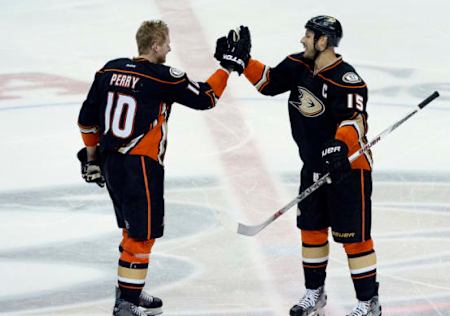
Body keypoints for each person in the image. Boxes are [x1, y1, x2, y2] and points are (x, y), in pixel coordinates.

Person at [77, 20, 250, 316]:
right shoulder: (163, 76)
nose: (170, 47)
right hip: (140, 164)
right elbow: (206, 98)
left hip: (110, 162)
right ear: (155, 46)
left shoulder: (109, 69)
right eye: (167, 42)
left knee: (131, 228)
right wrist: (228, 67)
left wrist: (92, 159)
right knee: (142, 234)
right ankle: (126, 304)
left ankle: (129, 290)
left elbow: (86, 118)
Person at [217, 16, 381, 316]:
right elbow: (269, 82)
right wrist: (243, 62)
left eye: (308, 35)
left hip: (348, 170)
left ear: (323, 41)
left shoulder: (348, 80)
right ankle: (314, 293)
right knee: (311, 231)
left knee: (354, 239)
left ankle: (369, 303)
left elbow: (354, 120)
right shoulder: (299, 65)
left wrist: (339, 144)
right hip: (314, 165)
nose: (302, 40)